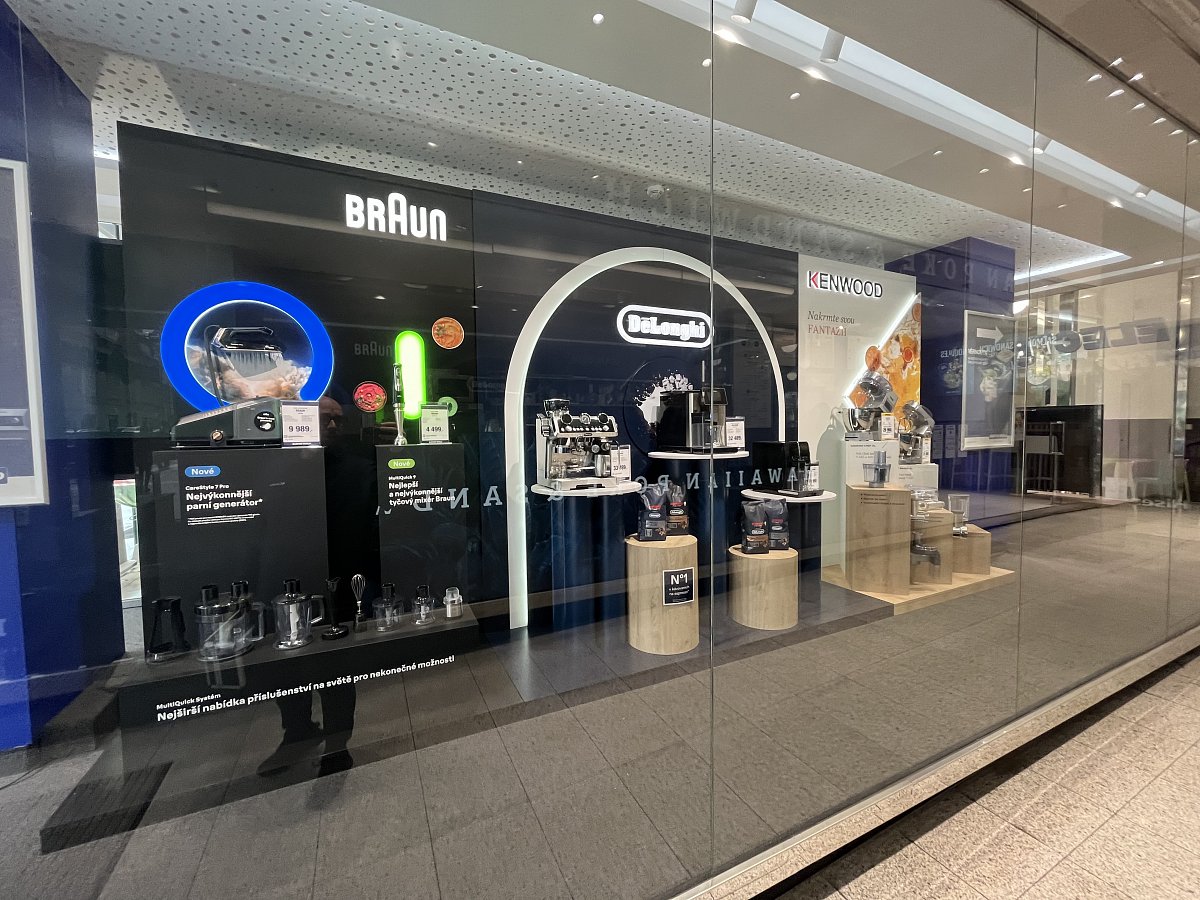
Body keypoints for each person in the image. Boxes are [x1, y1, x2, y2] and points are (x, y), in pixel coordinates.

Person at [258, 393, 378, 778]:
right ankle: (297, 732)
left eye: (338, 419)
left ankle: (338, 745)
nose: (332, 425)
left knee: (337, 665)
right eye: (324, 418)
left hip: (341, 578)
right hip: (288, 575)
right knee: (286, 665)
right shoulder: (277, 466)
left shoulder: (358, 470)